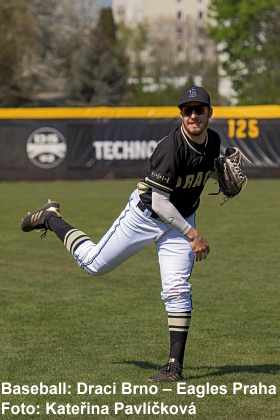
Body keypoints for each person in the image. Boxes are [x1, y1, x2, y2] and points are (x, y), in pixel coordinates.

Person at [21, 85, 221, 382]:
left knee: (177, 289)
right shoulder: (170, 148)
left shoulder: (213, 141)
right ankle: (51, 219)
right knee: (93, 264)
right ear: (180, 114)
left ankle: (174, 367)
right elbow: (159, 202)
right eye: (187, 110)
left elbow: (206, 170)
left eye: (199, 109)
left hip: (180, 218)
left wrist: (222, 176)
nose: (193, 115)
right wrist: (192, 234)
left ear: (209, 113)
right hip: (145, 216)